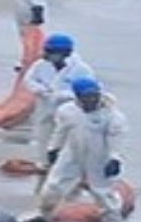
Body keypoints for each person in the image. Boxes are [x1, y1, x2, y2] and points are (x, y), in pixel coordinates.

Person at [33, 78, 125, 222]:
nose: (91, 100)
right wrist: (53, 149)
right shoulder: (67, 111)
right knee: (54, 185)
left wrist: (114, 158)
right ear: (77, 97)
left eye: (94, 96)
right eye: (86, 97)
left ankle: (112, 219)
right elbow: (61, 131)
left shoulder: (112, 116)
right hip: (72, 153)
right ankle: (45, 213)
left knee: (102, 189)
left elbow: (116, 138)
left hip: (99, 156)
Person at [23, 33, 95, 169]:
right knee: (43, 133)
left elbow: (89, 91)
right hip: (45, 104)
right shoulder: (41, 65)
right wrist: (39, 89)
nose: (47, 55)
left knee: (67, 136)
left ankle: (68, 164)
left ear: (64, 53)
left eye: (51, 52)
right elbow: (29, 80)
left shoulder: (81, 69)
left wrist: (64, 95)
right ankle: (44, 163)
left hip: (69, 107)